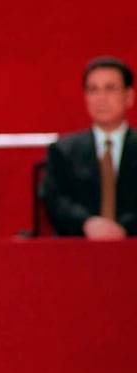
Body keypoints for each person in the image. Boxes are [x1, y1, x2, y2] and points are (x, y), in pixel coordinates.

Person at [42, 56, 137, 239]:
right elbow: (55, 200)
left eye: (111, 88)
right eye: (93, 90)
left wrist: (121, 229)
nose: (101, 98)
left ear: (129, 96)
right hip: (79, 249)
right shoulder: (63, 151)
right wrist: (88, 223)